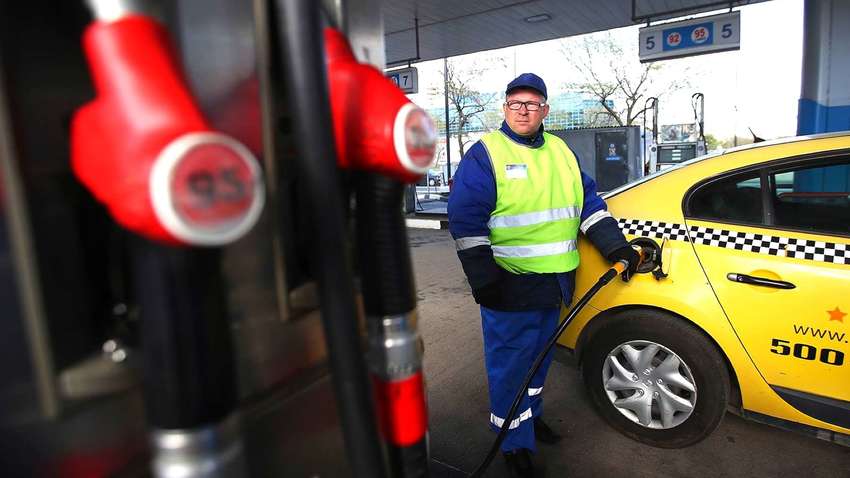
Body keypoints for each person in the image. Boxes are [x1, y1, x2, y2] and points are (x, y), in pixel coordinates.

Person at [447, 73, 638, 477]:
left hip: (555, 284)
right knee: (511, 367)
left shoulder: (562, 152)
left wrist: (615, 246)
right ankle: (513, 442)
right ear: (504, 108)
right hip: (508, 284)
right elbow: (466, 221)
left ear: (545, 111)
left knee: (538, 360)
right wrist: (485, 282)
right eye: (516, 103)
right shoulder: (486, 153)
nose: (523, 110)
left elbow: (589, 204)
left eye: (532, 104)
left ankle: (528, 420)